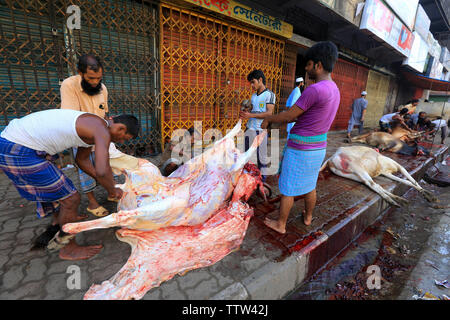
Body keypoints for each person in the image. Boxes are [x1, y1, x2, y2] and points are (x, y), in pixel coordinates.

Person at [0, 109, 139, 260]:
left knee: (59, 191)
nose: (122, 142)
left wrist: (105, 183)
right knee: (71, 199)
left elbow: (82, 160)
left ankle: (59, 221)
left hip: (14, 144)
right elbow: (102, 169)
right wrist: (112, 190)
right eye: (125, 138)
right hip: (19, 149)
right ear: (121, 128)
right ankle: (68, 248)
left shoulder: (95, 126)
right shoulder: (102, 130)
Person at [253, 41, 340, 234]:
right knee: (310, 185)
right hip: (319, 147)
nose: (307, 69)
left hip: (300, 148)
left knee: (288, 188)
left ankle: (281, 224)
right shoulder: (334, 88)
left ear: (318, 65)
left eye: (308, 65)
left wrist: (269, 120)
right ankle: (308, 217)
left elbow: (290, 115)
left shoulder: (314, 89)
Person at [60, 54, 115, 217]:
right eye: (91, 78)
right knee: (85, 170)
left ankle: (112, 193)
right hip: (80, 135)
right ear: (80, 72)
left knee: (105, 166)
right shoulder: (69, 85)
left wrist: (108, 127)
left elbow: (104, 111)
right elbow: (70, 116)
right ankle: (92, 202)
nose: (95, 82)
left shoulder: (102, 88)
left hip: (100, 135)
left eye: (98, 78)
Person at [239, 69, 275, 181]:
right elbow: (253, 110)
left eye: (253, 82)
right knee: (244, 155)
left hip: (261, 130)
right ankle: (244, 178)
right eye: (251, 83)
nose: (252, 85)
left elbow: (269, 113)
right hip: (249, 128)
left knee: (261, 158)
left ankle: (262, 182)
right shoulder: (254, 96)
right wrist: (245, 111)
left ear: (260, 80)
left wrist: (250, 115)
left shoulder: (270, 95)